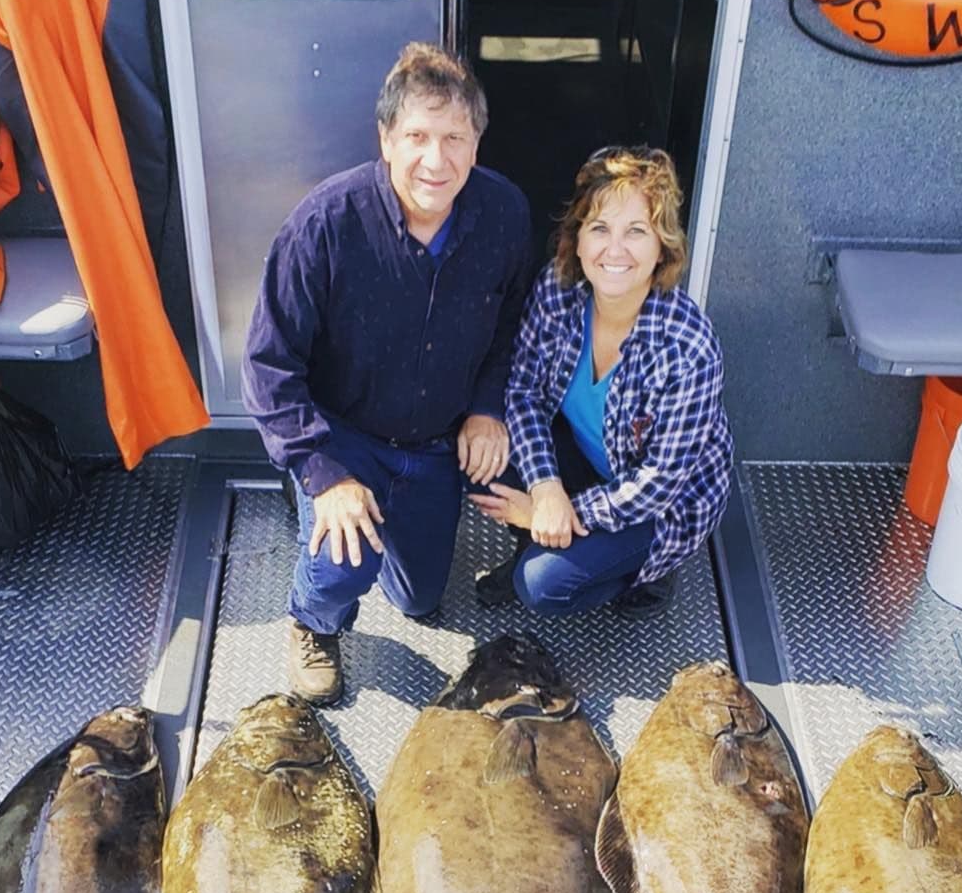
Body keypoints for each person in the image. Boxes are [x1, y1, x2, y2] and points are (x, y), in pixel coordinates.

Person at [242, 44, 535, 705]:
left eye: (455, 137)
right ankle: (311, 621)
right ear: (386, 139)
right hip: (345, 438)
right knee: (343, 554)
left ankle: (388, 531)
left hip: (437, 443)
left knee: (422, 599)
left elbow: (514, 323)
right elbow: (268, 364)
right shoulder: (323, 224)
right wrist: (324, 473)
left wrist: (488, 408)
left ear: (477, 143)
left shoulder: (505, 215)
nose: (437, 160)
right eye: (418, 137)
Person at [470, 146, 732, 617]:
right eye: (600, 229)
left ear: (663, 245)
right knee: (480, 455)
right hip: (585, 462)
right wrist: (546, 487)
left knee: (541, 586)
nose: (614, 250)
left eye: (636, 231)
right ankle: (544, 539)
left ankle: (639, 576)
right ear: (579, 236)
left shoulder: (688, 346)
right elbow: (524, 392)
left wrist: (556, 514)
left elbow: (659, 484)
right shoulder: (558, 288)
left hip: (659, 507)